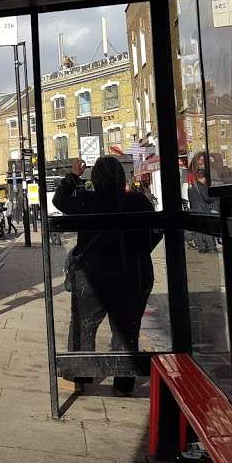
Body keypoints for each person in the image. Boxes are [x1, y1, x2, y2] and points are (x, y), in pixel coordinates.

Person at [53, 155, 163, 394]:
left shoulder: (86, 200)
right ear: (121, 177)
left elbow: (59, 201)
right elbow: (156, 231)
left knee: (84, 326)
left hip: (93, 277)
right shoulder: (137, 201)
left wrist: (73, 175)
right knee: (126, 330)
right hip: (131, 275)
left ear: (95, 178)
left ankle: (82, 376)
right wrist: (140, 252)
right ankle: (123, 383)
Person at [187, 151, 218, 253]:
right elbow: (207, 198)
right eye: (200, 160)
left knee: (199, 230)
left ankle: (202, 247)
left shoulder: (191, 187)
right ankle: (211, 247)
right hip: (203, 210)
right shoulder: (200, 186)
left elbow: (191, 199)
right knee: (207, 229)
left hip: (195, 209)